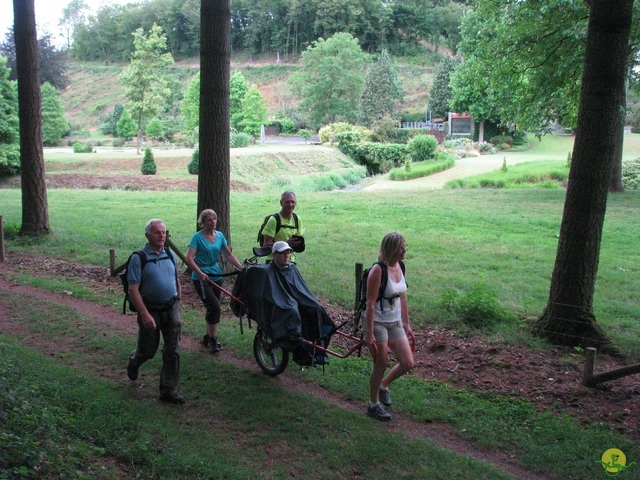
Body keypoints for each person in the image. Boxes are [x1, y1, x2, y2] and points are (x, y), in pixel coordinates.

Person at [126, 219, 185, 404]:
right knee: (148, 350)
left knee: (172, 350)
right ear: (147, 235)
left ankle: (168, 390)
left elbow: (176, 280)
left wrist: (178, 301)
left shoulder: (170, 254)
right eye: (157, 232)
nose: (162, 236)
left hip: (171, 307)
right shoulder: (138, 257)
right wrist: (144, 314)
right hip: (150, 310)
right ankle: (135, 360)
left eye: (163, 232)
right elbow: (133, 289)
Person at [363, 232, 414, 421]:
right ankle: (373, 404)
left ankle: (383, 386)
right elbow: (369, 303)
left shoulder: (400, 266)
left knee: (408, 363)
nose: (404, 249)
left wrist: (406, 322)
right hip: (377, 320)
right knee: (381, 362)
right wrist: (369, 333)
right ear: (392, 249)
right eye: (401, 247)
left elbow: (402, 295)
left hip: (394, 320)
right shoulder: (378, 270)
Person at [186, 209, 244, 354]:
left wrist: (240, 267)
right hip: (202, 279)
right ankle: (213, 339)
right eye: (209, 220)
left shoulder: (219, 236)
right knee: (215, 308)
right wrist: (199, 273)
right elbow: (189, 258)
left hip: (217, 276)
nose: (213, 222)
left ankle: (207, 336)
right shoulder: (197, 238)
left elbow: (228, 254)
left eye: (214, 219)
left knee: (213, 307)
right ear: (203, 222)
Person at [261, 191, 305, 261]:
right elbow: (266, 245)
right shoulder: (274, 220)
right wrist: (286, 243)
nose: (290, 205)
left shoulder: (297, 219)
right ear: (281, 203)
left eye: (292, 202)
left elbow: (298, 241)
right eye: (287, 202)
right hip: (273, 262)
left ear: (296, 203)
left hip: (290, 261)